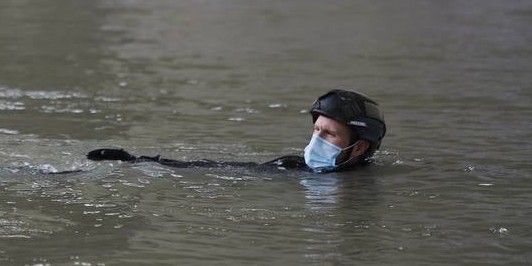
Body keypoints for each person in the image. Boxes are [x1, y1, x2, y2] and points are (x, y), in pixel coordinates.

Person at [87, 89, 386, 173]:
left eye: (329, 134)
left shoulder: (371, 186)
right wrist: (138, 160)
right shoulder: (292, 167)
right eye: (316, 130)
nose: (316, 140)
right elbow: (216, 168)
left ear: (359, 148)